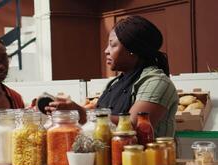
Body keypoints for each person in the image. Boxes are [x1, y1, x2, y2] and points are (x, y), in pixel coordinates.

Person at [46, 16, 178, 137]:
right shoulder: (114, 84)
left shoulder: (157, 82)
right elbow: (98, 124)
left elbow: (133, 126)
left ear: (133, 49)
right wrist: (67, 114)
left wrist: (80, 113)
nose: (106, 51)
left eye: (113, 44)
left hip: (146, 161)